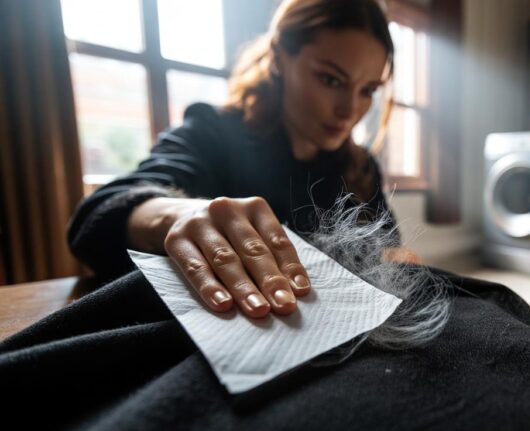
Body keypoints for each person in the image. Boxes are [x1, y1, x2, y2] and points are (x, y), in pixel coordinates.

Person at [67, 0, 410, 320]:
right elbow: (96, 217)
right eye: (330, 79)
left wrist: (394, 262)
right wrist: (180, 216)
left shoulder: (359, 167)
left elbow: (389, 248)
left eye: (367, 90)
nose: (350, 110)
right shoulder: (214, 133)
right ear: (279, 58)